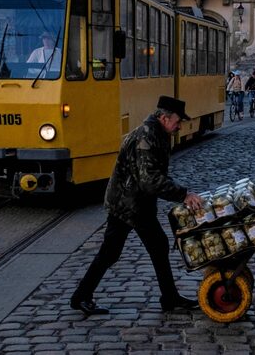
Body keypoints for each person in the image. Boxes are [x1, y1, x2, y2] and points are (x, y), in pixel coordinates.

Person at [70, 96, 204, 315]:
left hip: (137, 203)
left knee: (157, 245)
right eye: (178, 121)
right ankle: (81, 296)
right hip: (126, 205)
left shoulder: (157, 134)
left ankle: (169, 297)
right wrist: (184, 194)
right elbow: (149, 180)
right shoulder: (146, 139)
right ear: (163, 118)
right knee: (111, 252)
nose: (180, 126)